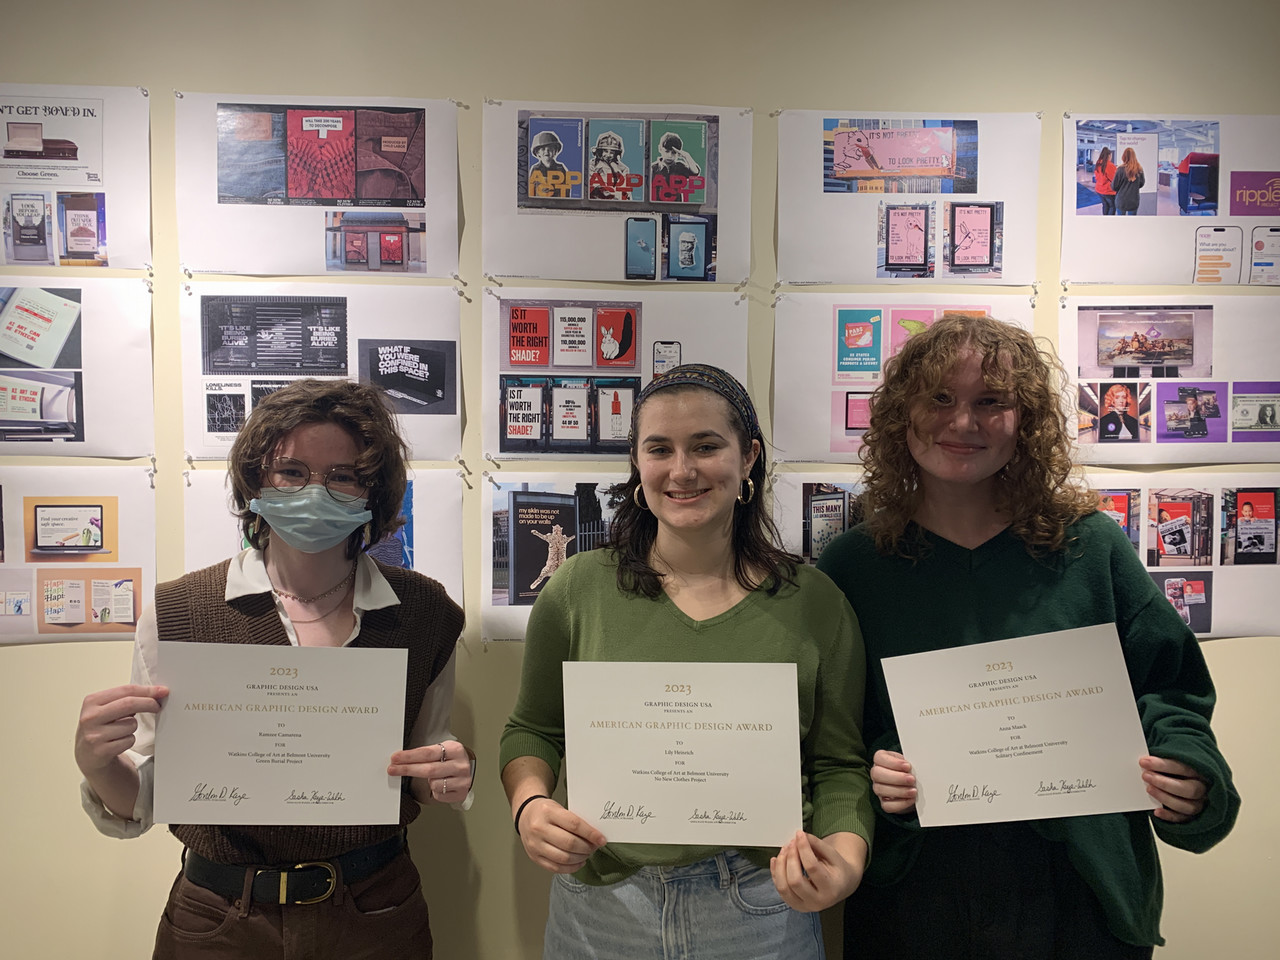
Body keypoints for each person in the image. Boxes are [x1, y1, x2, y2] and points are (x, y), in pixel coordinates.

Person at [817, 314, 1239, 958]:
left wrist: (1189, 771)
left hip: (1079, 885)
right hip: (918, 889)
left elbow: (1170, 686)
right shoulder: (854, 566)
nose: (964, 423)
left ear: (1027, 421)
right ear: (901, 414)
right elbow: (836, 737)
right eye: (940, 398)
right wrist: (883, 768)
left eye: (991, 402)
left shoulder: (1090, 547)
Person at [75, 379, 471, 959]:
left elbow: (422, 763)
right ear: (256, 480)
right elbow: (151, 792)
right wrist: (96, 762)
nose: (316, 491)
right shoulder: (181, 608)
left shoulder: (425, 612)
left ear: (373, 491)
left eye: (342, 475)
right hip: (220, 918)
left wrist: (446, 774)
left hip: (374, 912)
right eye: (291, 471)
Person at [500, 364, 873, 959]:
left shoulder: (814, 602)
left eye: (705, 446)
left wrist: (845, 863)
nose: (682, 470)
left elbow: (839, 764)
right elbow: (534, 729)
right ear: (637, 463)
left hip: (760, 908)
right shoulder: (578, 588)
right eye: (659, 449)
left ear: (747, 458)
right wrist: (530, 805)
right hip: (603, 907)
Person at [1112, 148, 1145, 215]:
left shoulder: (1120, 169)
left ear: (1123, 157)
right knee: (1132, 223)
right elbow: (1141, 183)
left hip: (1121, 200)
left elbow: (1114, 186)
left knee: (1121, 223)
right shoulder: (1139, 169)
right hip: (1133, 200)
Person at [1093, 146, 1117, 215]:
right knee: (1112, 206)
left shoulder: (1098, 163)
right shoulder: (1109, 165)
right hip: (1108, 191)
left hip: (1099, 189)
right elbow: (1114, 179)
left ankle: (1105, 220)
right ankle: (1109, 222)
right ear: (1109, 155)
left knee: (1105, 205)